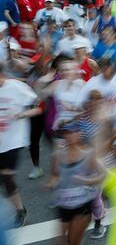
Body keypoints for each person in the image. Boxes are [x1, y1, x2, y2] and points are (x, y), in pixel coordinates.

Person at [45, 121, 106, 245]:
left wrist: (88, 181)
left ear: (80, 134)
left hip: (82, 204)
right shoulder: (57, 155)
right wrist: (50, 183)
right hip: (63, 204)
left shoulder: (89, 154)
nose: (69, 136)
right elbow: (55, 174)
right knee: (60, 241)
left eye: (73, 132)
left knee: (73, 241)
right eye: (66, 133)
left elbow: (103, 174)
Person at [0, 63, 41, 226]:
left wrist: (23, 113)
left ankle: (20, 211)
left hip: (14, 140)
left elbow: (38, 107)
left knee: (6, 175)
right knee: (4, 178)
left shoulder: (17, 87)